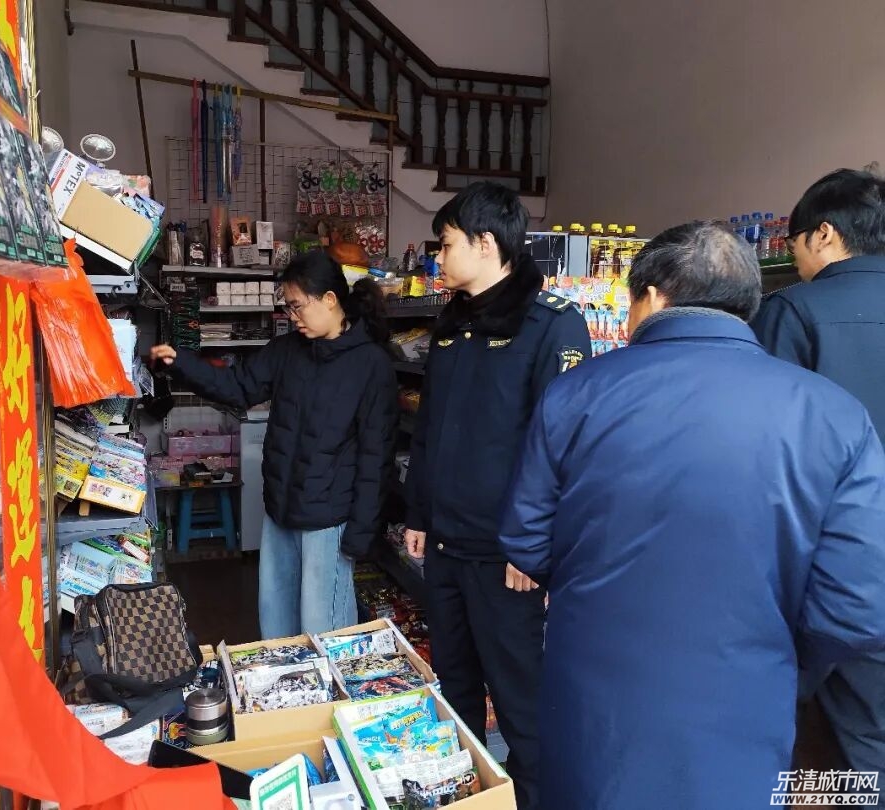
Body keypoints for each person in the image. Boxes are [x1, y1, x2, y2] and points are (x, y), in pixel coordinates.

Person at [498, 220, 885, 810]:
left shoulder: (577, 394)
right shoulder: (834, 414)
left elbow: (525, 538)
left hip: (594, 688)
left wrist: (594, 590)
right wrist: (776, 659)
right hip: (745, 696)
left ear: (652, 297)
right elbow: (859, 603)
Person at [402, 181, 591, 810]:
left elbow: (562, 448)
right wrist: (419, 511)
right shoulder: (453, 322)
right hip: (447, 546)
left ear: (486, 244)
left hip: (507, 557)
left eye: (446, 244)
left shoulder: (551, 325)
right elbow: (430, 427)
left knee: (519, 701)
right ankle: (469, 796)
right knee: (454, 689)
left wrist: (534, 546)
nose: (438, 257)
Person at [151, 252, 398, 638]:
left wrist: (362, 531)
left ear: (329, 299)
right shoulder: (287, 351)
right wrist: (181, 362)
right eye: (288, 306)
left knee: (324, 632)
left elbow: (376, 455)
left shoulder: (371, 364)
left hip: (328, 522)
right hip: (280, 511)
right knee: (277, 626)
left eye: (297, 306)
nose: (292, 316)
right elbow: (238, 386)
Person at [752, 168, 885, 793]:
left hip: (833, 565)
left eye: (796, 242)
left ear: (824, 234)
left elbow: (765, 451)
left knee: (820, 737)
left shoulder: (795, 312)